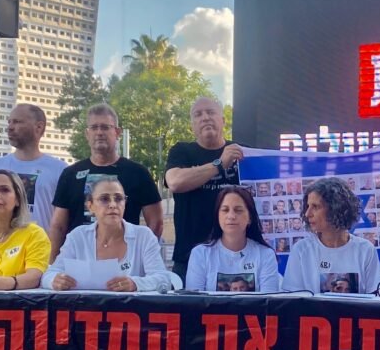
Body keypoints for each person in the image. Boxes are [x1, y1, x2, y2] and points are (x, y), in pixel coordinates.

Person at [49, 104, 163, 260]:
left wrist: (140, 257)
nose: (99, 132)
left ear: (117, 132)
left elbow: (156, 223)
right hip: (80, 261)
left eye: (105, 127)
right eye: (94, 127)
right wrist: (52, 264)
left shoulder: (138, 173)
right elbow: (58, 226)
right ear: (87, 134)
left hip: (124, 261)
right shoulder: (70, 174)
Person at [43, 178, 172, 292]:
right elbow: (49, 274)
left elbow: (163, 278)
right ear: (90, 206)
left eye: (119, 199)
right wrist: (55, 281)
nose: (113, 205)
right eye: (104, 199)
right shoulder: (78, 236)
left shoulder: (143, 236)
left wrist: (135, 284)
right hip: (87, 309)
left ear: (125, 203)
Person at [165, 97, 243, 283]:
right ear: (192, 125)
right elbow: (175, 182)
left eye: (210, 112)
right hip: (189, 258)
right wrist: (219, 164)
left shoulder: (241, 152)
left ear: (223, 120)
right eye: (198, 114)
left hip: (238, 258)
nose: (205, 117)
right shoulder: (181, 151)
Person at [0, 103, 67, 232]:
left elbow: (63, 222)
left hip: (41, 244)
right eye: (9, 122)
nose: (10, 127)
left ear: (39, 127)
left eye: (17, 122)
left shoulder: (60, 170)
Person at [283, 178, 380, 294]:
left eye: (315, 207)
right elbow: (293, 299)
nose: (307, 213)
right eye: (308, 206)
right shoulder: (301, 250)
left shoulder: (365, 249)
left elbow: (375, 299)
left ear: (336, 209)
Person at [185, 186, 280, 292]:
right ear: (217, 216)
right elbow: (195, 300)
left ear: (250, 218)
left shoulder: (266, 255)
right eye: (225, 210)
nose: (231, 216)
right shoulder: (200, 254)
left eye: (238, 210)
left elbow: (268, 300)